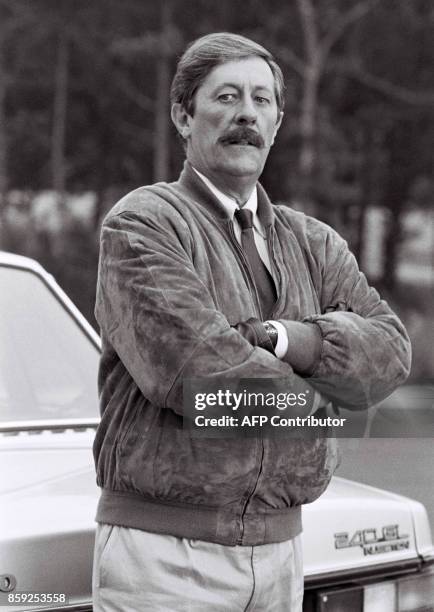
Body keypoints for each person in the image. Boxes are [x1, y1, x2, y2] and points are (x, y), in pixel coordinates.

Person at [92, 32, 411, 611]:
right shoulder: (144, 224)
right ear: (182, 116)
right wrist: (322, 398)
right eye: (227, 97)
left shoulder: (315, 242)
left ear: (278, 121)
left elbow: (390, 355)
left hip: (285, 554)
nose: (247, 115)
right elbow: (201, 377)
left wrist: (285, 338)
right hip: (166, 556)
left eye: (262, 101)